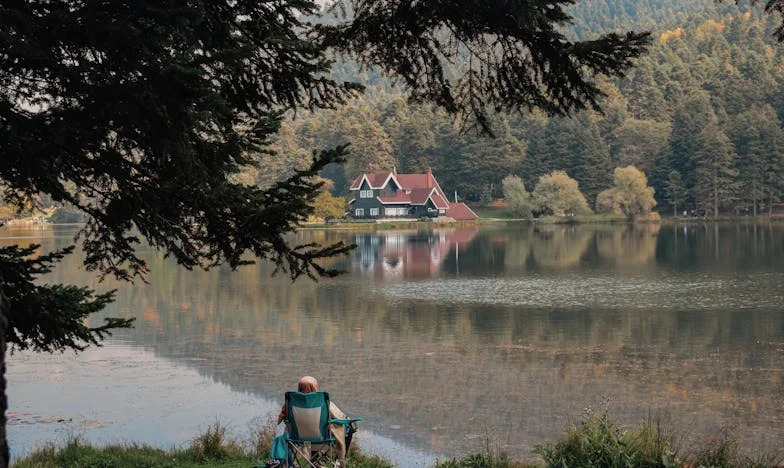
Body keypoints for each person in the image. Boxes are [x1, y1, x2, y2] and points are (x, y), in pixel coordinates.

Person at [277, 376, 355, 464]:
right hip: (321, 440)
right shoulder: (322, 401)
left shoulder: (290, 402)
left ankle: (317, 461)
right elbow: (340, 417)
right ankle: (337, 461)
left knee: (312, 431)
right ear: (315, 387)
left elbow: (280, 419)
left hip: (297, 440)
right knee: (350, 428)